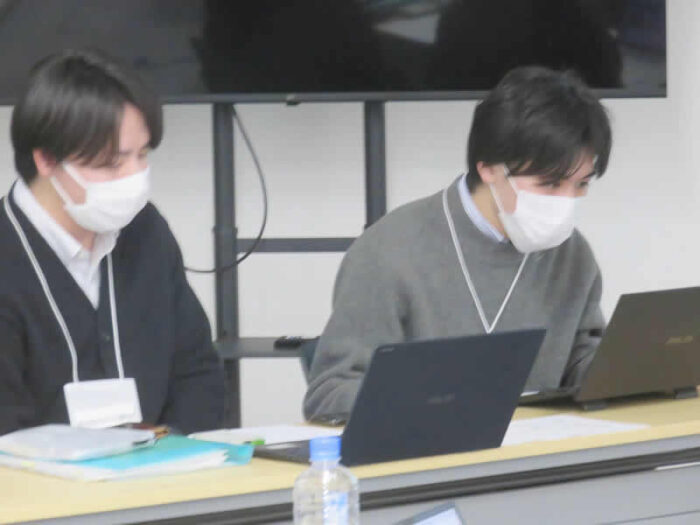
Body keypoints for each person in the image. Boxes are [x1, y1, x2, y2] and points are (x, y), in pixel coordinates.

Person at [304, 66, 611, 420]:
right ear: (490, 169)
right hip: (427, 447)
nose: (567, 201)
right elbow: (330, 394)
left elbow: (580, 363)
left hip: (540, 448)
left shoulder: (571, 253)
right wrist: (437, 397)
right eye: (550, 184)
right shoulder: (388, 252)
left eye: (582, 184)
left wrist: (634, 367)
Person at [0, 49, 225, 435]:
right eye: (111, 163)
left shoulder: (145, 230)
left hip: (163, 468)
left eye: (142, 155)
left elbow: (198, 373)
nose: (134, 177)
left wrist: (173, 451)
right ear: (47, 160)